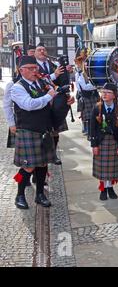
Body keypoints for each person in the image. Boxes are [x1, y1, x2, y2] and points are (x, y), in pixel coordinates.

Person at [10, 56, 59, 209]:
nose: (34, 71)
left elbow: (49, 101)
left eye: (35, 67)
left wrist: (59, 100)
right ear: (21, 70)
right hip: (28, 130)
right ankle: (19, 195)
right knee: (28, 166)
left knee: (43, 164)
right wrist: (48, 96)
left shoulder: (40, 83)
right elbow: (29, 105)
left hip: (43, 129)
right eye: (30, 68)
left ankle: (39, 194)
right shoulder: (17, 87)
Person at [34, 42, 73, 165]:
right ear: (35, 53)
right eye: (39, 50)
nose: (42, 52)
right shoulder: (33, 67)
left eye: (43, 50)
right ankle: (42, 157)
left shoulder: (53, 65)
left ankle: (53, 154)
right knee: (43, 132)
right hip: (41, 103)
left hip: (56, 104)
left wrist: (67, 73)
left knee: (55, 131)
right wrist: (54, 75)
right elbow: (38, 80)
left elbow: (63, 84)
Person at [89, 83, 118, 200]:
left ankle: (110, 188)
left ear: (114, 95)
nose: (104, 94)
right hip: (101, 142)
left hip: (114, 141)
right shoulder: (97, 108)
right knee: (103, 168)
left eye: (108, 92)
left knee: (111, 169)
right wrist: (94, 145)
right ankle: (103, 189)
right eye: (103, 91)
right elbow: (92, 128)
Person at [74, 48, 99, 135]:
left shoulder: (91, 71)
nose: (84, 64)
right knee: (87, 115)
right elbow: (84, 87)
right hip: (86, 95)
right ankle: (87, 129)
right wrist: (96, 85)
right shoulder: (79, 73)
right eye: (82, 62)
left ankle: (93, 129)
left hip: (94, 95)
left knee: (96, 113)